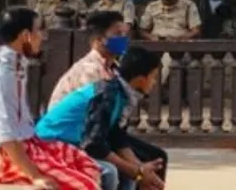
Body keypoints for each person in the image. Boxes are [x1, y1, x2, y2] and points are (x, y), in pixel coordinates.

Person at [0, 6, 103, 190]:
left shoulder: (15, 65)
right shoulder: (0, 73)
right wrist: (35, 176)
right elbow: (6, 136)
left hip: (28, 144)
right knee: (84, 185)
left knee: (89, 166)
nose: (43, 36)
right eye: (39, 30)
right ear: (26, 36)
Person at [36, 46, 167, 190]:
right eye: (153, 77)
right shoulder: (106, 95)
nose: (154, 82)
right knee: (109, 172)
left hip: (73, 145)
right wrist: (135, 171)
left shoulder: (119, 94)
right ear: (141, 79)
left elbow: (116, 137)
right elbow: (94, 144)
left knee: (131, 172)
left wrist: (139, 169)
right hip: (50, 146)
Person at [51, 11, 130, 105]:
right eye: (118, 34)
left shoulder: (112, 69)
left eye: (124, 34)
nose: (124, 38)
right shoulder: (89, 70)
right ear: (100, 39)